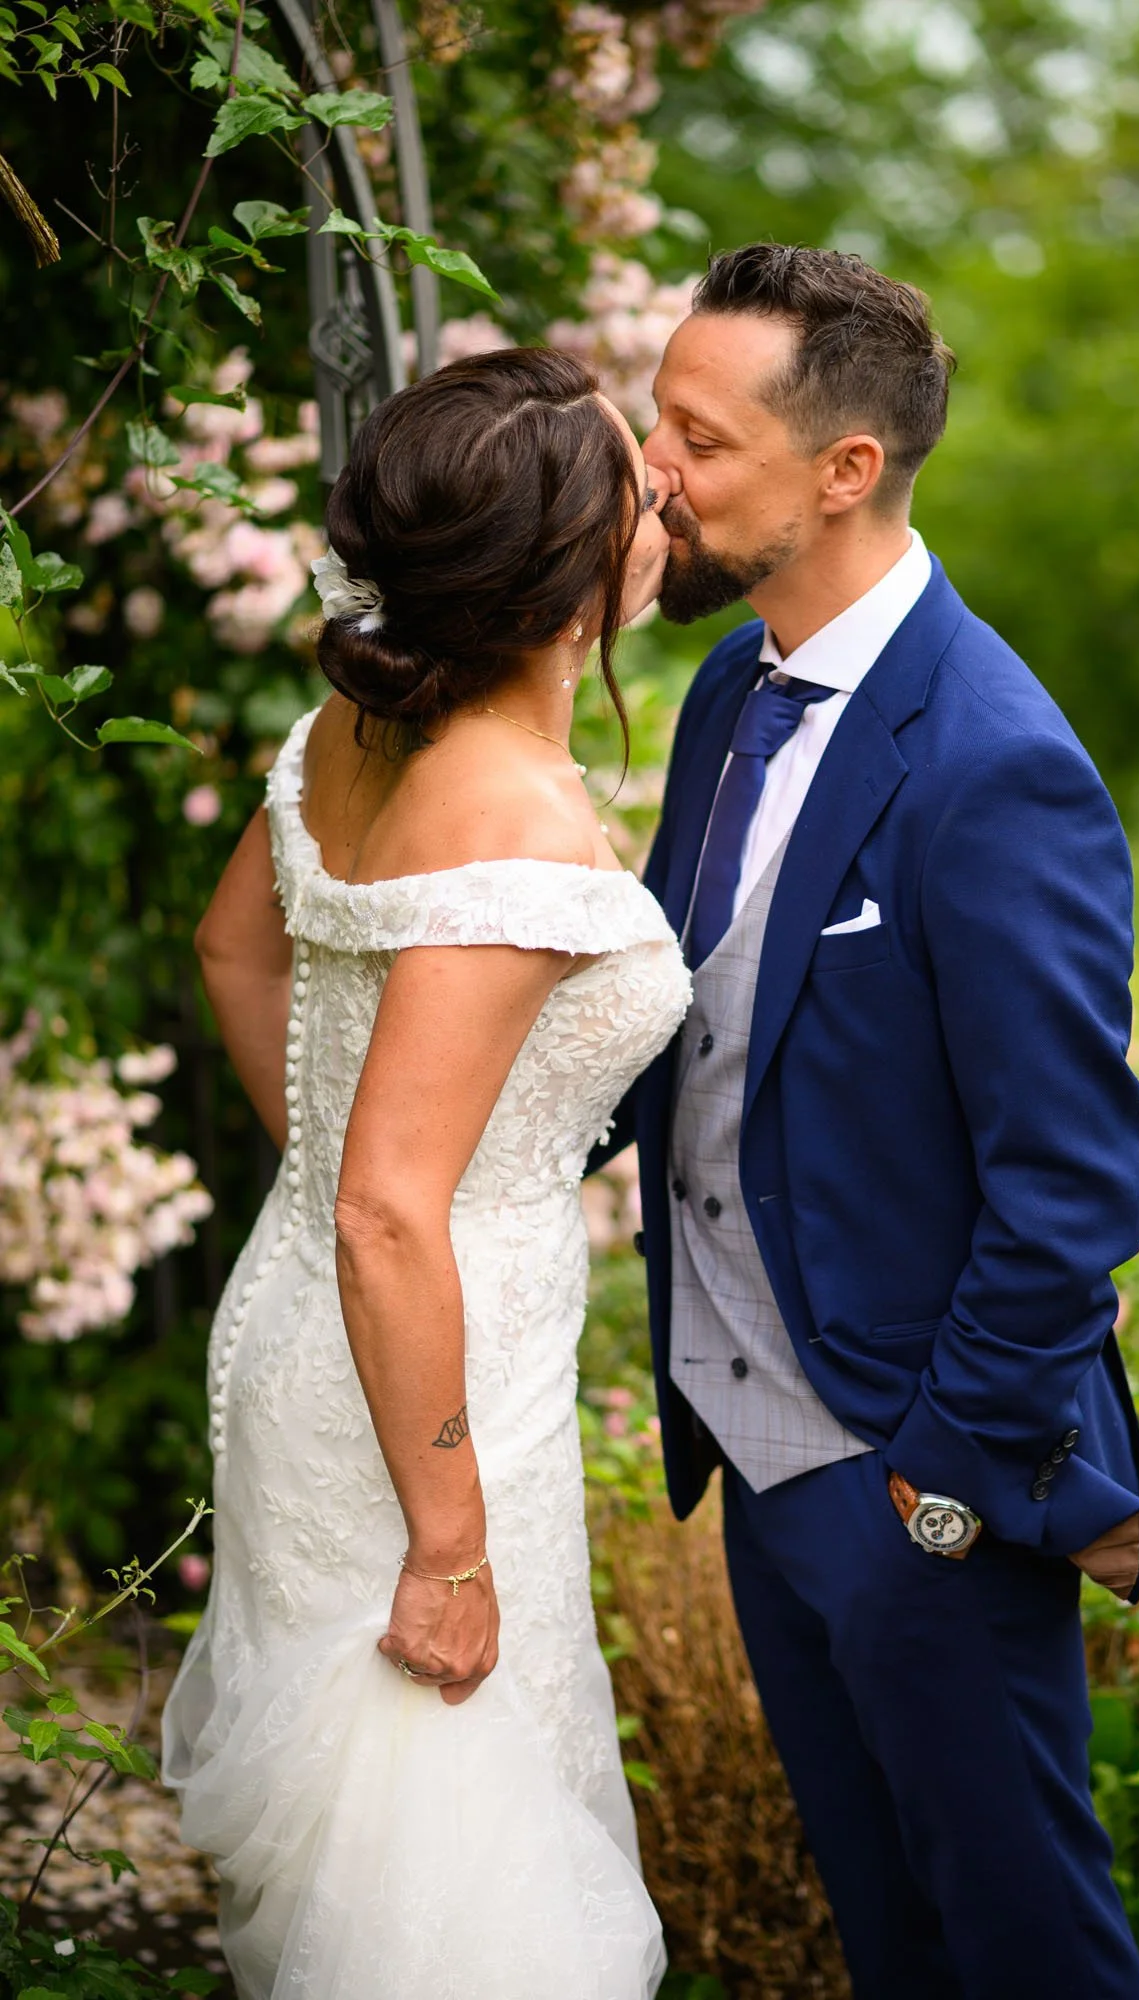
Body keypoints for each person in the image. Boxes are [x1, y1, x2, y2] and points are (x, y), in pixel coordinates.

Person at [592, 244, 1139, 1998]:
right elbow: (681, 1016)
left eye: (701, 439)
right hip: (754, 1458)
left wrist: (941, 1478)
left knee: (1027, 1948)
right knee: (889, 1941)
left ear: (847, 468)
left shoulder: (996, 763)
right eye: (659, 419)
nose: (652, 472)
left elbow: (1071, 1183)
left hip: (919, 1481)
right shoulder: (727, 689)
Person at [161, 347, 688, 2000]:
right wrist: (450, 1549)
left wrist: (343, 1169)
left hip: (320, 1324)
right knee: (448, 1868)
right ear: (568, 582)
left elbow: (234, 952)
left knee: (375, 1838)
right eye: (640, 488)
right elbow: (392, 1203)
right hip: (429, 1383)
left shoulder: (354, 727)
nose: (667, 498)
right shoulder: (515, 822)